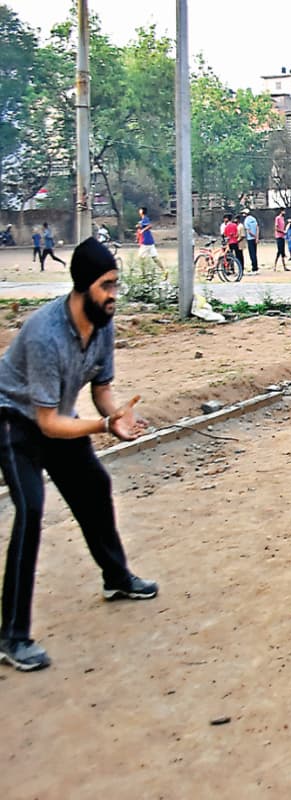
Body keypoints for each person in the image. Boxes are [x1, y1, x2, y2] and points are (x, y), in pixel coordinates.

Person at [0, 239, 157, 672]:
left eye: (116, 285)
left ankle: (117, 579)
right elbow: (48, 424)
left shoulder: (103, 324)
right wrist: (104, 426)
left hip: (54, 417)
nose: (113, 295)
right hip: (13, 420)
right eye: (106, 286)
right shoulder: (45, 334)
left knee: (95, 484)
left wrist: (117, 415)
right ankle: (12, 636)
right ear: (83, 286)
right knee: (31, 509)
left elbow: (101, 389)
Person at [135, 207, 162, 271]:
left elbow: (149, 225)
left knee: (141, 258)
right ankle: (164, 270)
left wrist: (143, 230)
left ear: (142, 211)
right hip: (150, 241)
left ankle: (143, 273)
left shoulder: (145, 218)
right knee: (155, 258)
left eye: (140, 210)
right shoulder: (142, 220)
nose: (139, 211)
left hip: (145, 241)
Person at [242, 209, 259, 273]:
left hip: (250, 239)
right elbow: (257, 228)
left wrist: (254, 236)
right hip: (255, 238)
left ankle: (254, 268)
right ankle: (256, 267)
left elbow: (248, 231)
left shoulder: (246, 220)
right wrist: (257, 237)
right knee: (255, 253)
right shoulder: (254, 219)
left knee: (252, 254)